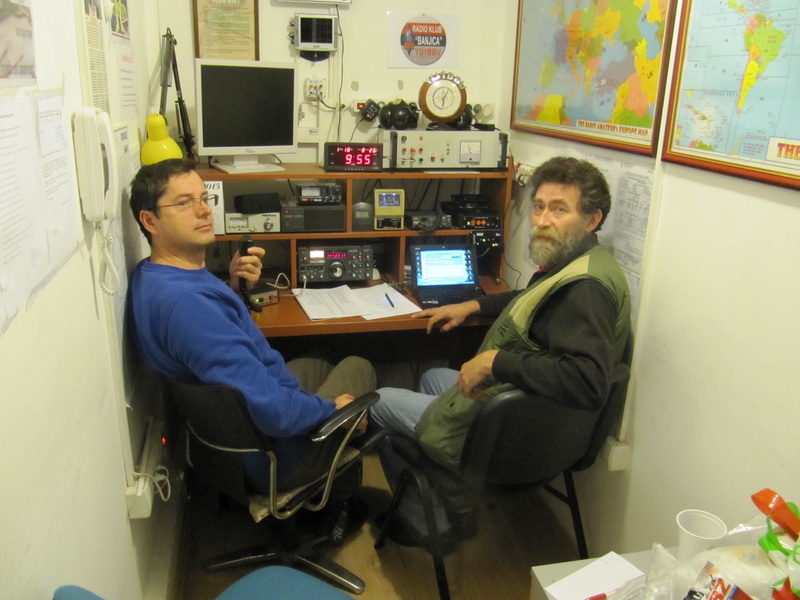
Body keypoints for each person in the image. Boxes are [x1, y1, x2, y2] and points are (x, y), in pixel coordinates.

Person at [370, 156, 632, 544]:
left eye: (559, 209)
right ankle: (448, 495)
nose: (542, 220)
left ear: (592, 219)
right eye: (539, 206)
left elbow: (587, 380)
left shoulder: (586, 291)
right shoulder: (583, 263)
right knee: (433, 376)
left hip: (517, 438)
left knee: (378, 402)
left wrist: (495, 361)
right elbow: (528, 298)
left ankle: (426, 524)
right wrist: (472, 305)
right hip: (548, 427)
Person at [127, 158, 377, 499]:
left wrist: (233, 288)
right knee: (359, 366)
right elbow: (272, 411)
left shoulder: (155, 275)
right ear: (149, 220)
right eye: (184, 203)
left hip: (232, 432)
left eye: (204, 198)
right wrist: (332, 410)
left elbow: (210, 333)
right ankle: (339, 490)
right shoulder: (189, 306)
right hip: (273, 455)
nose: (203, 210)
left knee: (322, 359)